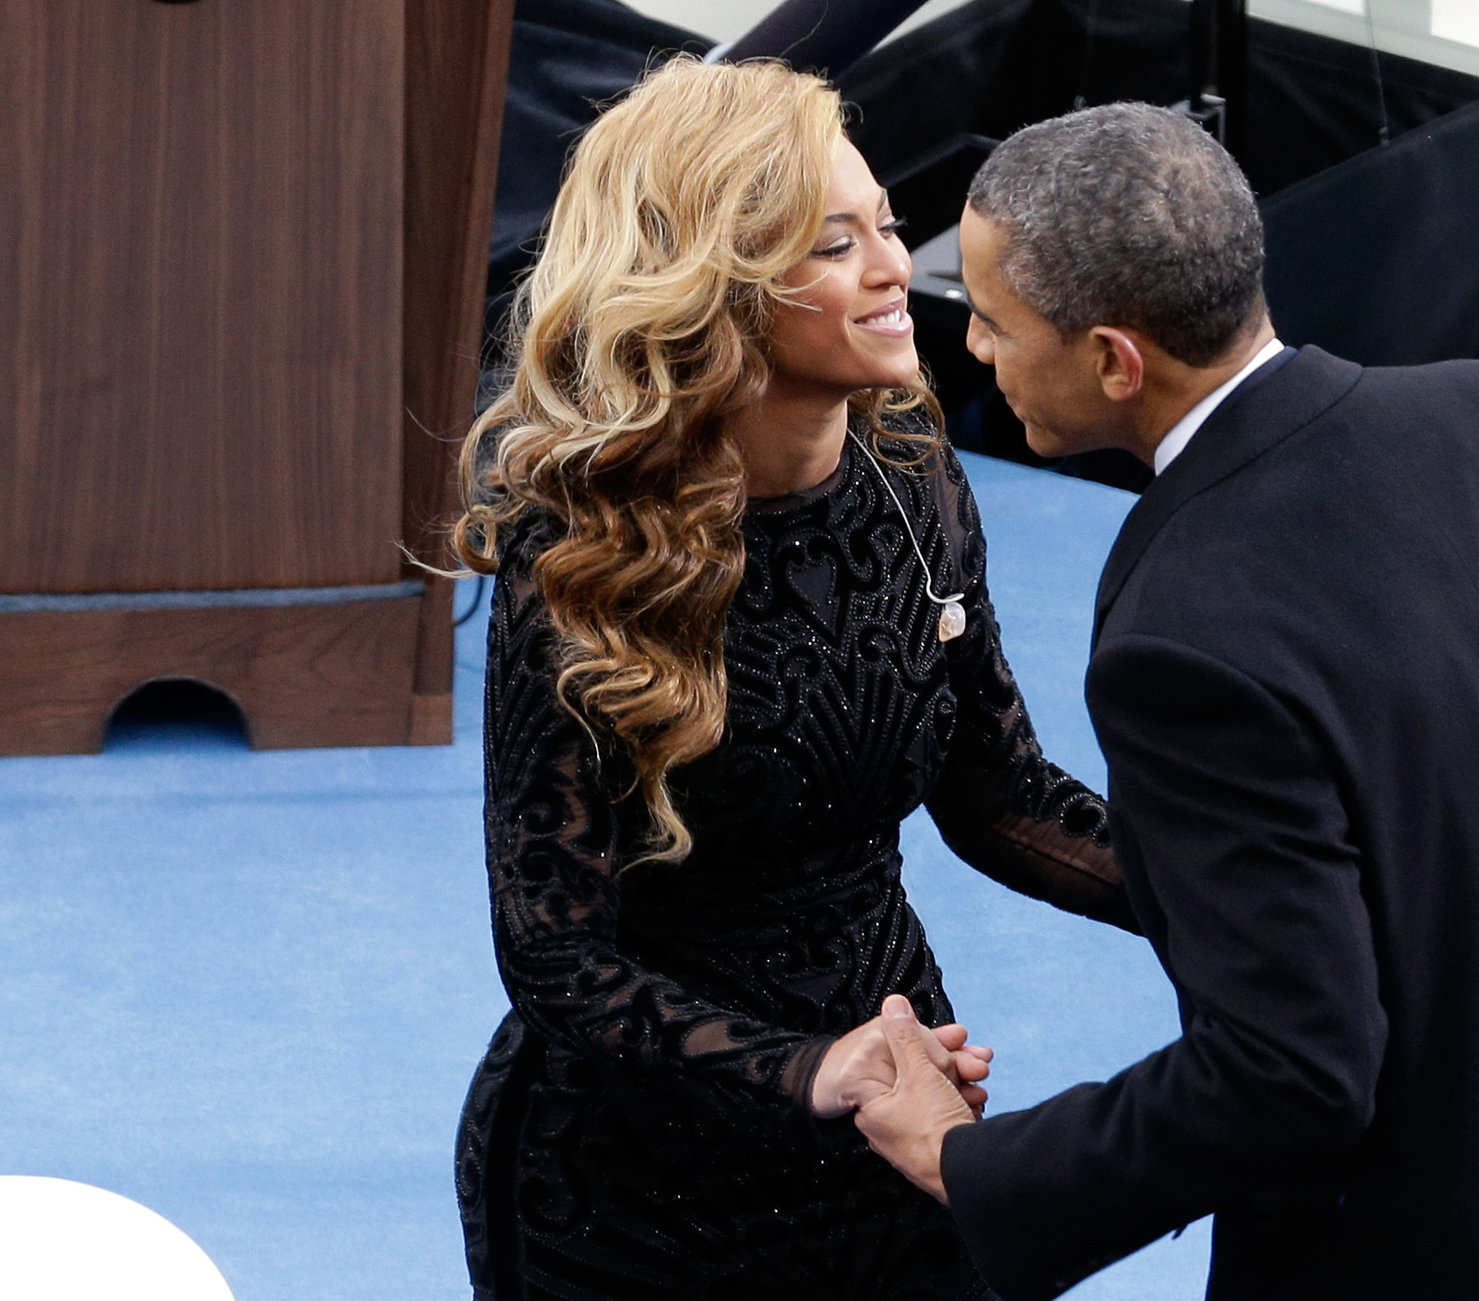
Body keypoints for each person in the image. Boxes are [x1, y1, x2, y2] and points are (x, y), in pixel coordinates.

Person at [855, 103, 1479, 1301]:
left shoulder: (1177, 635)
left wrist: (974, 1160)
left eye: (989, 320)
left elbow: (1287, 1069)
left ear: (1111, 358)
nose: (973, 350)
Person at [448, 60, 1136, 1299]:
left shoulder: (912, 477)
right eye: (833, 245)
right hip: (634, 1184)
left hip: (898, 1108)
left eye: (884, 223)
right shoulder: (585, 552)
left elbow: (1001, 795)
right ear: (713, 287)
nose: (892, 269)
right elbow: (555, 954)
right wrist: (817, 1070)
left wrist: (1235, 897)